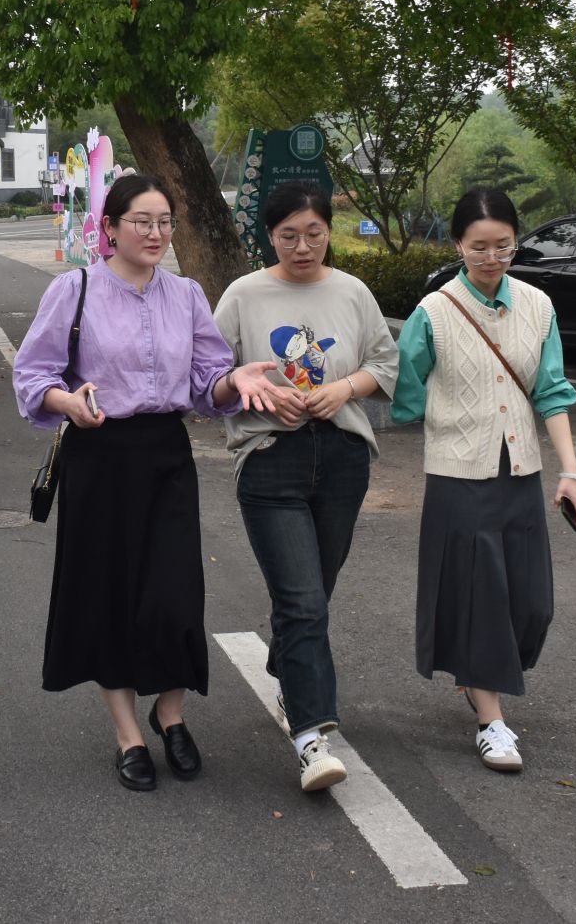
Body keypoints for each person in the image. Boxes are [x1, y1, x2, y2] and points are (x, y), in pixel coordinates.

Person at [11, 173, 285, 792]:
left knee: (174, 591)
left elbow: (207, 383)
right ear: (110, 228)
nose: (156, 233)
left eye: (165, 221)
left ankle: (171, 713)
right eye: (142, 221)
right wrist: (66, 401)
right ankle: (128, 734)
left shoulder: (185, 295)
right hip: (99, 455)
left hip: (166, 455)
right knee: (108, 594)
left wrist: (234, 381)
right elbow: (32, 375)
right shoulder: (74, 289)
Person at [212, 182, 399, 793]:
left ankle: (287, 667)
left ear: (328, 232)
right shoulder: (243, 295)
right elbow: (209, 374)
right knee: (303, 602)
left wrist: (342, 389)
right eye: (288, 235)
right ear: (269, 236)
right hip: (270, 460)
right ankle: (312, 739)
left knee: (316, 590)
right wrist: (260, 393)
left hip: (343, 458)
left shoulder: (352, 292)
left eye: (314, 233)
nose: (302, 246)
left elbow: (385, 363)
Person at [391, 187, 576, 775]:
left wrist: (570, 471)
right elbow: (403, 388)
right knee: (482, 600)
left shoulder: (539, 306)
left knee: (533, 604)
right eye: (479, 247)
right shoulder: (434, 313)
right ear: (458, 245)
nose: (492, 257)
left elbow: (552, 391)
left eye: (504, 245)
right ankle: (490, 719)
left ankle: (479, 675)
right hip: (459, 477)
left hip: (521, 472)